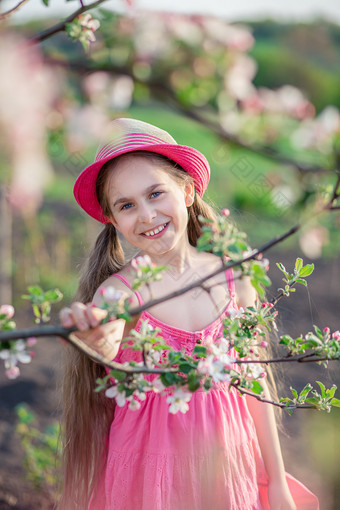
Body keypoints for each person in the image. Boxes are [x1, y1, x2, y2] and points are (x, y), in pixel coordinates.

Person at [58, 118, 319, 510]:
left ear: (187, 190)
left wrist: (277, 481)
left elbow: (256, 385)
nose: (146, 215)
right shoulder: (121, 292)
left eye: (155, 193)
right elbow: (107, 332)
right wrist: (96, 334)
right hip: (150, 481)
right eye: (127, 205)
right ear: (112, 219)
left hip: (227, 468)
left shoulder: (234, 280)